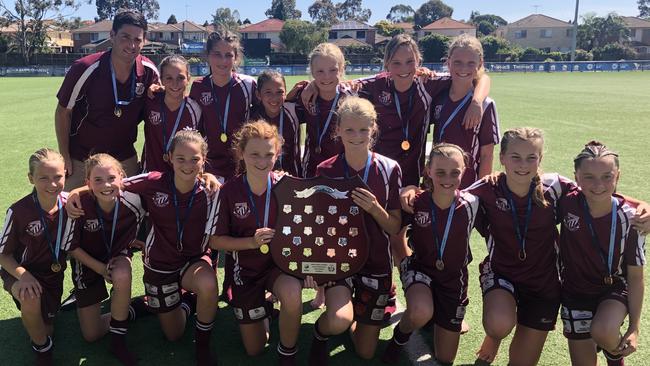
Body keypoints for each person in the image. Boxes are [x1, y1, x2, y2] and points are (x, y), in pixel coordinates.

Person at [309, 97, 402, 364]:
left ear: (373, 128)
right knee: (338, 320)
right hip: (341, 263)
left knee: (365, 352)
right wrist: (318, 266)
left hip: (376, 264)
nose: (357, 136)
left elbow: (394, 226)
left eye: (363, 129)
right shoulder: (325, 169)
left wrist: (375, 208)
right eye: (349, 129)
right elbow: (320, 226)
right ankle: (320, 334)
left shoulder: (389, 169)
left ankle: (361, 318)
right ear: (337, 130)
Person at [115, 130, 219, 365]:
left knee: (208, 283)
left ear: (204, 160)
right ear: (169, 157)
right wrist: (75, 195)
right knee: (173, 335)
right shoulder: (153, 181)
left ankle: (202, 347)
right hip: (160, 264)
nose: (187, 165)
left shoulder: (211, 190)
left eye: (195, 159)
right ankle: (180, 302)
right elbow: (113, 185)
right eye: (180, 158)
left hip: (193, 260)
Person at [211, 120, 304, 366]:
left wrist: (308, 267)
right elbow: (216, 240)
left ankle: (287, 353)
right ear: (241, 154)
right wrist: (251, 242)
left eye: (269, 155)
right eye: (254, 154)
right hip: (246, 272)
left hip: (279, 267)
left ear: (278, 154)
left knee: (293, 293)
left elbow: (305, 231)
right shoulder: (229, 191)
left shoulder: (288, 186)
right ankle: (266, 308)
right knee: (254, 348)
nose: (262, 161)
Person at [382, 143, 479, 365]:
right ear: (428, 171)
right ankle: (399, 339)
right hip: (421, 271)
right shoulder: (415, 201)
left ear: (464, 171)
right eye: (440, 172)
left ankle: (435, 315)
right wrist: (406, 188)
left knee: (445, 358)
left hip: (453, 281)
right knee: (420, 311)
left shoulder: (473, 203)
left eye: (455, 172)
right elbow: (393, 227)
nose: (448, 178)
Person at [558, 141, 645, 366]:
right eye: (589, 177)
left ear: (618, 176)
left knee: (604, 331)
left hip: (613, 289)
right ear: (576, 177)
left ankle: (613, 352)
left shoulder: (631, 218)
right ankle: (610, 348)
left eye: (607, 176)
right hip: (574, 293)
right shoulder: (566, 203)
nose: (598, 185)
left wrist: (634, 328)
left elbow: (636, 277)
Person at [55, 9, 159, 190]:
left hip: (124, 159)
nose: (131, 45)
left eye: (137, 40)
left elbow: (159, 114)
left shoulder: (149, 71)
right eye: (125, 37)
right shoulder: (85, 68)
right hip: (82, 160)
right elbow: (63, 112)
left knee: (129, 212)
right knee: (71, 212)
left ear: (144, 41)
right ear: (112, 35)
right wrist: (64, 155)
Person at [64, 153, 145, 365]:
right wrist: (99, 268)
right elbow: (71, 247)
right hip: (87, 262)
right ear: (88, 183)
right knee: (91, 335)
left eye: (111, 178)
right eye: (98, 180)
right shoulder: (78, 204)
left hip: (117, 255)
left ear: (122, 177)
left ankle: (118, 341)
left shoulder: (135, 199)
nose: (106, 185)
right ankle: (131, 309)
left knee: (122, 274)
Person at [0, 149, 69, 366]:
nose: (52, 183)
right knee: (30, 297)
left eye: (58, 176)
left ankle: (41, 324)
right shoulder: (19, 211)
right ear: (31, 178)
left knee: (47, 328)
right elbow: (3, 255)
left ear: (66, 173)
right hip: (21, 272)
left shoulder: (71, 204)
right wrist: (24, 276)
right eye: (43, 178)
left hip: (53, 275)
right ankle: (43, 352)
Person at [431, 34, 500, 189]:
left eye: (471, 63)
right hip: (438, 183)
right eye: (457, 62)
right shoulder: (437, 97)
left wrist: (480, 192)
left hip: (468, 186)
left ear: (480, 63)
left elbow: (486, 155)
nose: (463, 68)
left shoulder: (486, 105)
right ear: (448, 63)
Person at [189, 30, 256, 181]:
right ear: (207, 56)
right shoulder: (199, 86)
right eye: (217, 54)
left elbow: (272, 105)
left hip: (241, 163)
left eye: (228, 55)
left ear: (236, 58)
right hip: (208, 165)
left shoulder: (248, 84)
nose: (223, 60)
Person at [143, 55, 202, 173]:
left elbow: (200, 147)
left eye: (180, 78)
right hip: (151, 174)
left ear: (188, 78)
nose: (175, 84)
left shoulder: (195, 109)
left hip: (182, 177)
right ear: (161, 80)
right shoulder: (151, 100)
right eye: (169, 78)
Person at [250, 70, 302, 177]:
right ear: (258, 95)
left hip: (292, 177)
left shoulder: (293, 110)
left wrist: (312, 86)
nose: (274, 97)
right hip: (261, 177)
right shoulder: (251, 115)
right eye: (268, 92)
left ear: (286, 93)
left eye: (279, 92)